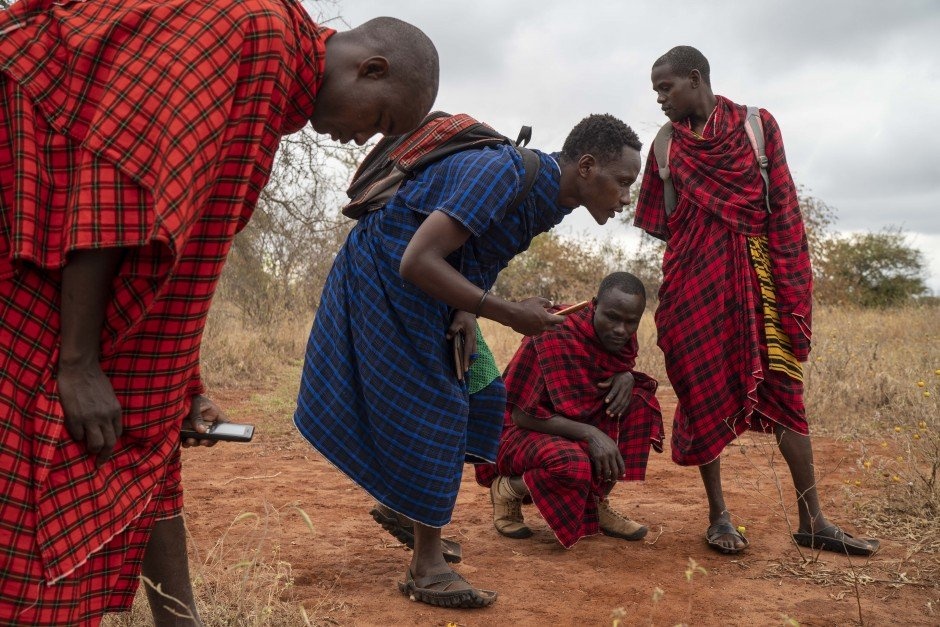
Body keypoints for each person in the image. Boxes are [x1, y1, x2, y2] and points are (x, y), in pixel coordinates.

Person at [0, 0, 440, 623]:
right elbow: (119, 179)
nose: (362, 138)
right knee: (43, 443)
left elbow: (170, 244)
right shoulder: (255, 33)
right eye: (380, 120)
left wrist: (183, 381)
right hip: (31, 197)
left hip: (60, 230)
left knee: (147, 417)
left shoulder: (270, 69)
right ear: (370, 69)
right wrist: (78, 362)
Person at [294, 112, 643, 608]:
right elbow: (416, 259)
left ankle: (405, 505)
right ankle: (427, 567)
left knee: (482, 393)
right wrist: (504, 312)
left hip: (435, 290)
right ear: (586, 167)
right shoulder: (502, 173)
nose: (626, 198)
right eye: (623, 182)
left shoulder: (553, 201)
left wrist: (468, 310)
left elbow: (483, 250)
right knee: (439, 406)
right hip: (386, 275)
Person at [633, 45, 878, 556]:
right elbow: (661, 222)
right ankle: (718, 516)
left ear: (695, 79)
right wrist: (706, 250)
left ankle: (813, 519)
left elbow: (784, 208)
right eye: (656, 90)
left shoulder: (757, 127)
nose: (659, 99)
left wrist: (791, 290)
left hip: (761, 283)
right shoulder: (664, 146)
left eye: (665, 88)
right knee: (700, 394)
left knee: (785, 391)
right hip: (693, 290)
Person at [474, 271, 664, 549]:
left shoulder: (621, 341)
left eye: (630, 322)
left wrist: (626, 375)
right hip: (516, 433)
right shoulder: (552, 331)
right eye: (612, 317)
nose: (621, 330)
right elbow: (520, 415)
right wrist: (590, 434)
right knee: (572, 463)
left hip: (569, 427)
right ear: (594, 305)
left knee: (640, 404)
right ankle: (508, 489)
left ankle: (596, 501)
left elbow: (606, 376)